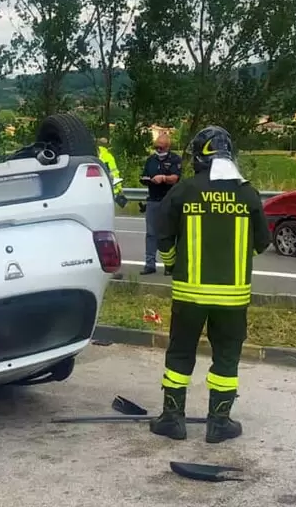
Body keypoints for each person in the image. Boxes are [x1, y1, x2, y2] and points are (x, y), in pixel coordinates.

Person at [148, 125, 271, 444]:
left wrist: (173, 262)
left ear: (200, 156)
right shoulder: (248, 193)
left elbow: (162, 233)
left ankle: (172, 419)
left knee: (179, 355)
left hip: (189, 295)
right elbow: (262, 243)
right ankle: (219, 423)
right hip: (233, 299)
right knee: (226, 359)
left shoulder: (185, 190)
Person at [138, 133, 182, 276]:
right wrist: (146, 179)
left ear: (168, 147)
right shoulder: (151, 160)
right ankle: (149, 264)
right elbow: (144, 175)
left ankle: (170, 265)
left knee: (169, 233)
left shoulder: (175, 159)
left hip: (169, 200)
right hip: (153, 199)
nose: (158, 149)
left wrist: (163, 178)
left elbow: (175, 178)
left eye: (161, 147)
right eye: (156, 147)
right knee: (151, 234)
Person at [96, 138, 128, 208]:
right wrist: (119, 188)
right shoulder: (109, 157)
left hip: (96, 190)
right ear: (107, 146)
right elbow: (114, 173)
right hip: (108, 190)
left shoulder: (94, 155)